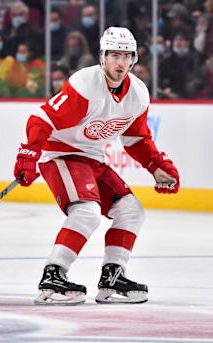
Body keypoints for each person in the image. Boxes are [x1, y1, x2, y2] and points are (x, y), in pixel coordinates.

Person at [13, 27, 180, 305]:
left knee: (131, 211)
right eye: (114, 54)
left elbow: (136, 138)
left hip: (92, 158)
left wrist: (155, 165)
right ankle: (53, 276)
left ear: (134, 59)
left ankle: (113, 277)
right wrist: (29, 153)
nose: (120, 63)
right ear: (102, 57)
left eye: (126, 56)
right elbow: (41, 119)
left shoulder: (138, 93)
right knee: (86, 211)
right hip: (60, 154)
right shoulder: (85, 84)